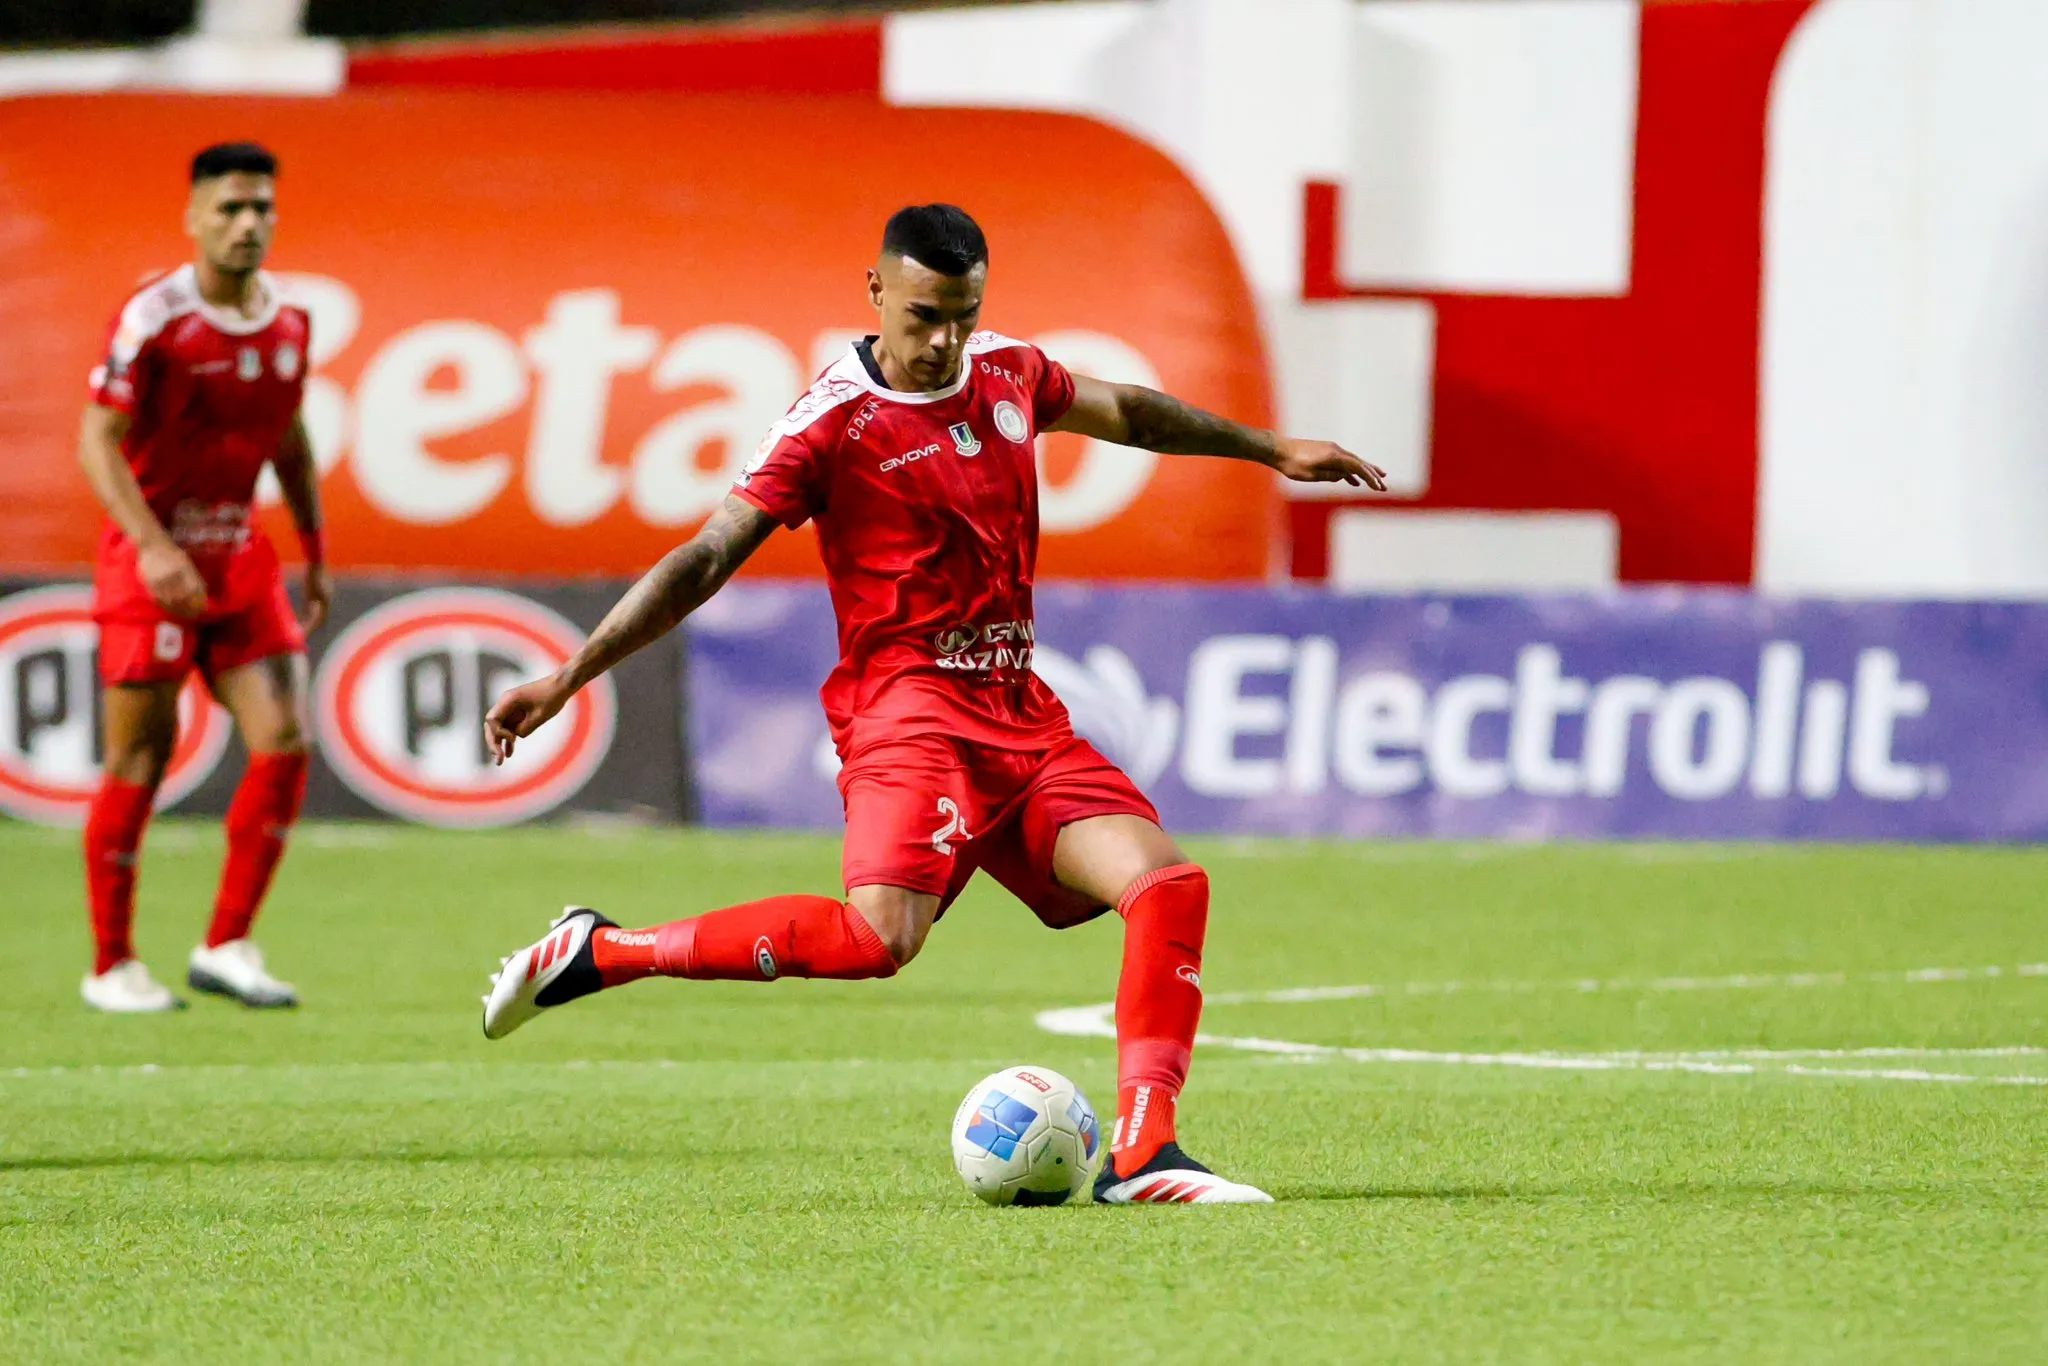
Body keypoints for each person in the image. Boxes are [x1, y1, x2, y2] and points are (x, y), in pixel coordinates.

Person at [480, 204, 1385, 1204]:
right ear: (875, 292)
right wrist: (569, 674)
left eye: (962, 315)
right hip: (908, 718)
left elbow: (1129, 411)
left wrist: (1269, 449)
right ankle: (604, 951)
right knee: (878, 941)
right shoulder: (828, 424)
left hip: (1019, 710)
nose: (944, 340)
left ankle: (1143, 1155)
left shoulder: (1008, 372)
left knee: (1167, 885)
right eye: (923, 317)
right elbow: (704, 558)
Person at [76, 141, 328, 1014]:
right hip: (149, 562)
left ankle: (227, 946)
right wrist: (152, 546)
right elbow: (96, 441)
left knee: (284, 739)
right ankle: (112, 964)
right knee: (139, 760)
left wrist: (315, 548)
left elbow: (289, 439)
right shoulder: (153, 316)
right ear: (193, 217)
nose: (248, 224)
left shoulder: (290, 322)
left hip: (239, 558)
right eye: (230, 208)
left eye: (262, 208)